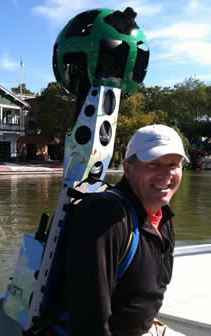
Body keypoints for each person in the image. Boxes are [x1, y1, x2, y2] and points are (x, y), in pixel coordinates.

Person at [62, 124, 188, 336]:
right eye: (154, 164)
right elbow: (87, 322)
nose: (166, 174)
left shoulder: (162, 215)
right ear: (127, 168)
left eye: (173, 164)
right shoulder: (105, 215)